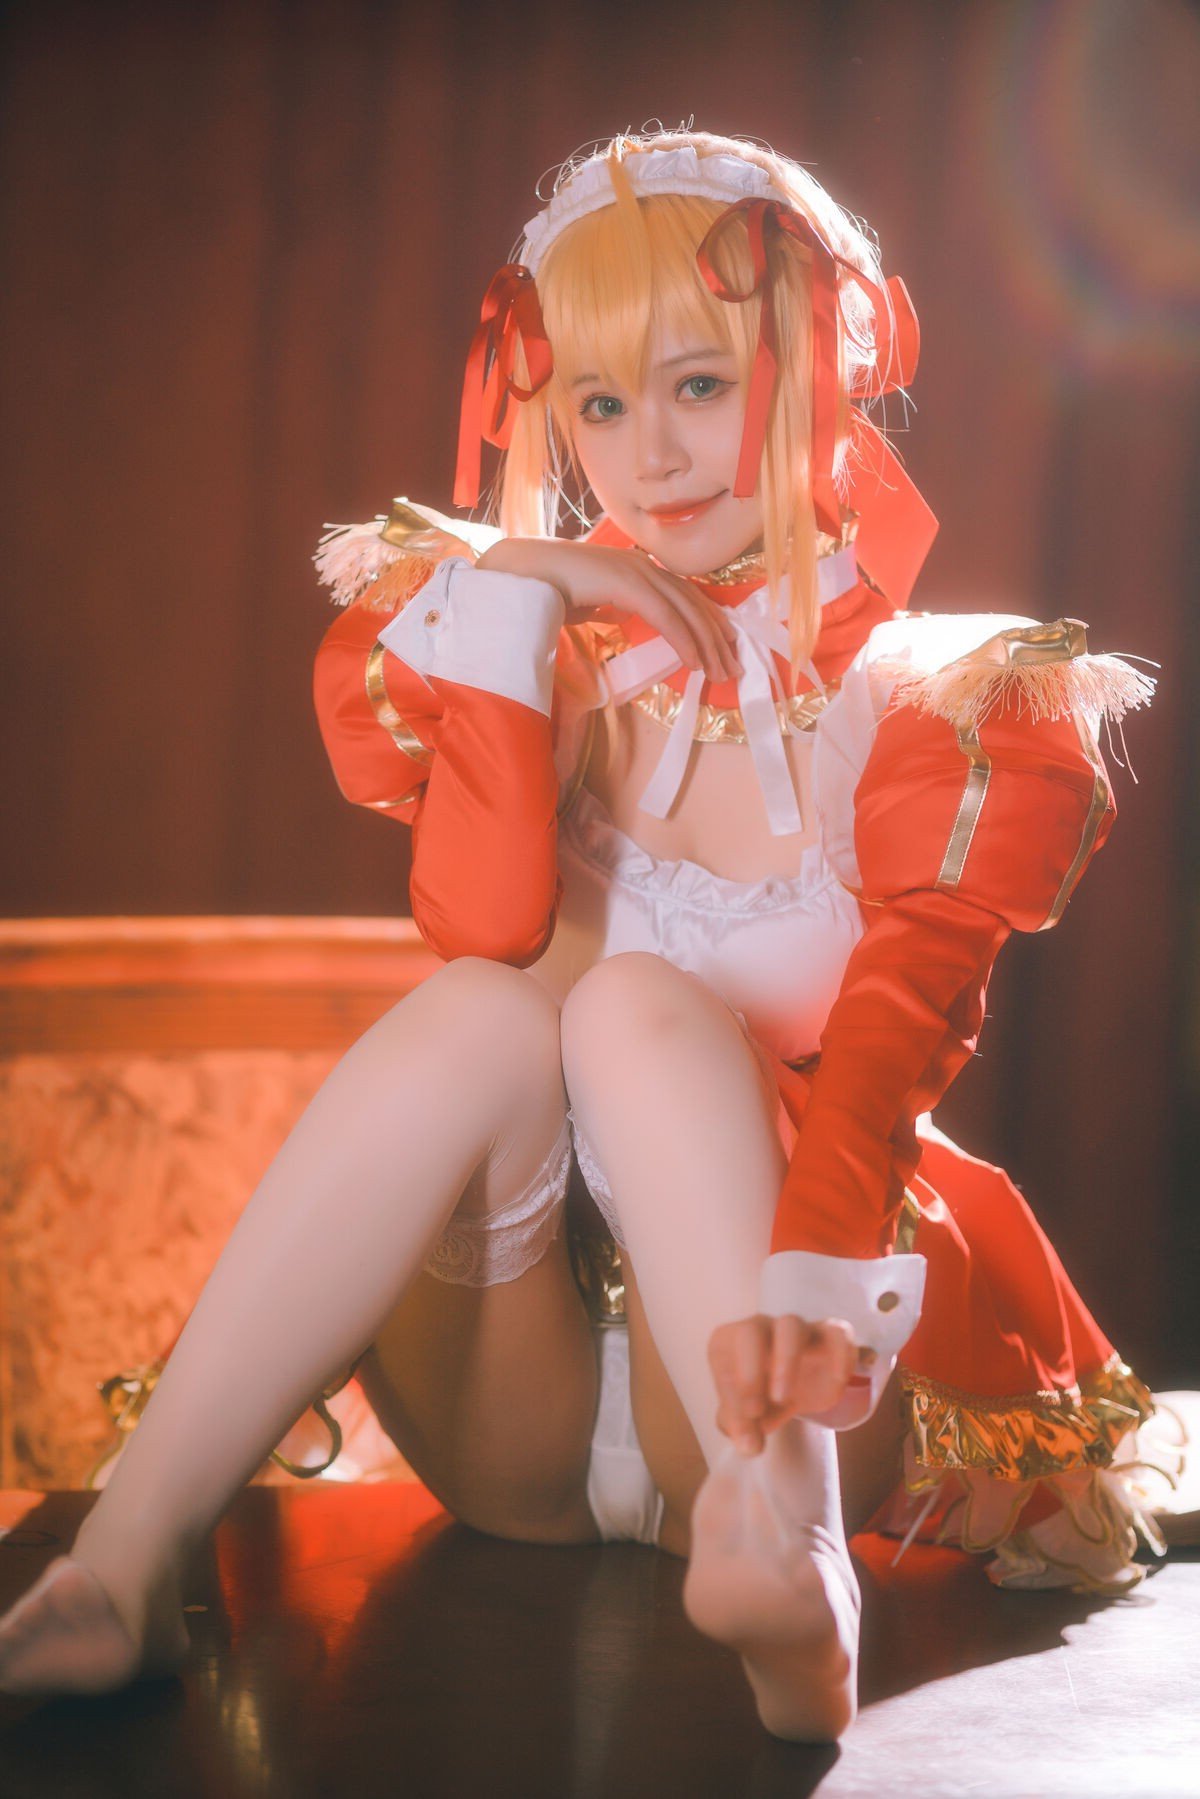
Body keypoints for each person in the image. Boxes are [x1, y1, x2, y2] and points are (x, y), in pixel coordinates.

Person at [0, 125, 1178, 1743]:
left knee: (629, 1008)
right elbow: (477, 925)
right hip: (519, 1408)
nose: (652, 456)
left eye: (699, 384)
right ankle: (123, 1570)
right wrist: (518, 601)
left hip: (774, 1379)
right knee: (490, 1010)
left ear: (825, 369)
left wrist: (810, 1318)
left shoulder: (936, 703)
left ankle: (792, 1560)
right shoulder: (532, 655)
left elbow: (893, 1052)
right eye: (602, 406)